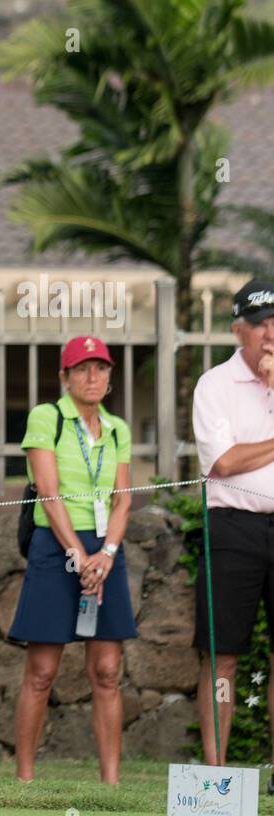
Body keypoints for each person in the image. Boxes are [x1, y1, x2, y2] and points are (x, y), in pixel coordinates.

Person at [8, 335, 135, 784]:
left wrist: (107, 554)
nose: (93, 376)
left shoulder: (118, 427)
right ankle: (24, 779)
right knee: (42, 671)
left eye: (101, 368)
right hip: (57, 545)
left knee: (106, 670)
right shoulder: (47, 417)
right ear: (64, 377)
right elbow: (49, 491)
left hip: (105, 550)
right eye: (82, 368)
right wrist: (79, 556)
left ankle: (112, 782)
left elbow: (122, 500)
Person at [191, 279, 274, 778]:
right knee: (222, 657)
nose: (270, 334)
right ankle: (215, 776)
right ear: (236, 329)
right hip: (232, 529)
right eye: (261, 324)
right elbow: (222, 462)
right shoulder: (214, 385)